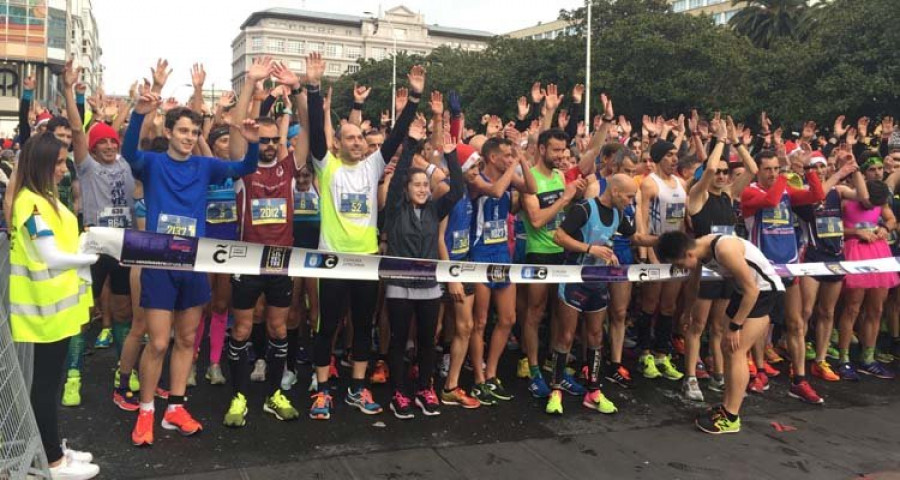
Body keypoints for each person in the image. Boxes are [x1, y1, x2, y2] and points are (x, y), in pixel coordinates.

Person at [273, 53, 421, 419]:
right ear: (337, 144)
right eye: (350, 138)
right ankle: (322, 391)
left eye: (360, 139)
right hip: (332, 260)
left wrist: (415, 99)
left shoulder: (372, 166)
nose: (357, 143)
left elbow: (399, 135)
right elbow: (316, 134)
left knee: (364, 327)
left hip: (366, 260)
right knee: (327, 328)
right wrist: (312, 86)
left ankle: (357, 387)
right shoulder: (327, 166)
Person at [122, 59, 261, 446]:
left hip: (195, 264)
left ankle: (176, 407)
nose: (189, 136)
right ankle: (147, 411)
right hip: (159, 264)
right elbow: (128, 152)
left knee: (187, 341)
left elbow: (243, 168)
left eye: (194, 131)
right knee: (159, 342)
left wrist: (250, 140)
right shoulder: (151, 163)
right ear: (168, 132)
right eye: (182, 130)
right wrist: (138, 114)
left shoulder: (204, 166)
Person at [10, 133, 100, 478]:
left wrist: (85, 243)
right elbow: (48, 255)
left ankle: (53, 449)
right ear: (41, 164)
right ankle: (51, 461)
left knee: (50, 384)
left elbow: (61, 243)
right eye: (59, 163)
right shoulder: (30, 203)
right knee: (45, 389)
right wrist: (88, 257)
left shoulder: (44, 199)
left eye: (65, 162)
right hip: (41, 313)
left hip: (57, 311)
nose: (64, 169)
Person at [62, 59, 137, 409]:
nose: (109, 147)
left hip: (123, 244)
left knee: (123, 312)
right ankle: (73, 375)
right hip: (93, 245)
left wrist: (134, 106)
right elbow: (79, 132)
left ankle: (126, 371)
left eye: (112, 143)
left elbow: (121, 131)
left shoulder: (124, 162)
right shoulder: (87, 166)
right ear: (92, 150)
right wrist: (69, 93)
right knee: (82, 312)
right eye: (102, 144)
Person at [550, 174, 657, 415]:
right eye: (629, 196)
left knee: (596, 335)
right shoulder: (584, 209)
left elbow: (636, 238)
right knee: (566, 335)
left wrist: (663, 240)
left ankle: (594, 391)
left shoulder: (618, 214)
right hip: (574, 280)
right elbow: (558, 236)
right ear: (616, 192)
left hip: (598, 282)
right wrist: (590, 248)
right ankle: (556, 390)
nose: (630, 202)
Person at [658, 230, 785, 434]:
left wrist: (736, 326)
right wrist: (687, 312)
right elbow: (693, 285)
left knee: (736, 350)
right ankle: (726, 406)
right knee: (727, 348)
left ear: (688, 255)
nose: (681, 269)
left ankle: (732, 416)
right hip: (743, 293)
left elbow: (753, 289)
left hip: (763, 293)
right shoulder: (699, 250)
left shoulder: (724, 249)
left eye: (680, 265)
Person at [384, 108, 465, 419]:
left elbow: (457, 190)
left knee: (427, 342)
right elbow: (395, 184)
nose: (420, 189)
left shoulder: (434, 210)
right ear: (407, 188)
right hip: (400, 287)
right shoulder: (394, 210)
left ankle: (424, 387)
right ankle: (399, 391)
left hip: (429, 288)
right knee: (399, 340)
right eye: (415, 185)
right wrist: (410, 144)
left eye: (424, 186)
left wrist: (451, 154)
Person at [741, 149, 825, 404]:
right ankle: (759, 370)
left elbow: (817, 195)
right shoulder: (750, 192)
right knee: (760, 322)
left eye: (776, 169)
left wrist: (809, 170)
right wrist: (785, 176)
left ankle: (799, 379)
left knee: (796, 323)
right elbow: (770, 201)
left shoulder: (785, 189)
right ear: (758, 170)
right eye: (768, 169)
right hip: (762, 267)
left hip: (789, 265)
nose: (773, 174)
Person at [683, 116, 757, 401]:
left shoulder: (729, 195)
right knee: (696, 325)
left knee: (720, 326)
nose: (723, 176)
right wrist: (721, 140)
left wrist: (737, 142)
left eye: (727, 173)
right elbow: (711, 165)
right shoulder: (697, 196)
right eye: (719, 173)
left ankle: (719, 373)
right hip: (705, 272)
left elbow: (751, 169)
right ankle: (690, 377)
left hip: (728, 272)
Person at [519, 128, 589, 398]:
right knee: (535, 313)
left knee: (563, 314)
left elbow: (569, 212)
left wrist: (577, 196)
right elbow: (536, 220)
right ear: (542, 150)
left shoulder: (561, 176)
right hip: (538, 252)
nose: (561, 155)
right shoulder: (531, 181)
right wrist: (565, 198)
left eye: (563, 150)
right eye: (556, 150)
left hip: (564, 252)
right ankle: (534, 371)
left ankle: (557, 370)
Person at [467, 135, 536, 405]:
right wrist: (512, 167)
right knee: (481, 321)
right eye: (506, 155)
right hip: (480, 255)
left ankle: (492, 372)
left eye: (511, 155)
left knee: (507, 318)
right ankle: (479, 378)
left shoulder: (509, 177)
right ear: (493, 157)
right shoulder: (477, 179)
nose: (510, 159)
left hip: (502, 256)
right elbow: (495, 191)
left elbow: (530, 188)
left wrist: (523, 161)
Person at [796, 152, 864, 382]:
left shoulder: (838, 191)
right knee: (805, 311)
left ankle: (820, 360)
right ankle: (799, 360)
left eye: (822, 166)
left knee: (827, 311)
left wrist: (855, 169)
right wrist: (839, 173)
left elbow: (863, 197)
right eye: (813, 167)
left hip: (835, 255)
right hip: (812, 257)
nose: (819, 170)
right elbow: (818, 194)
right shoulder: (804, 193)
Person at [835, 180, 898, 380]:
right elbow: (831, 228)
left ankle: (868, 358)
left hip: (878, 251)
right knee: (852, 307)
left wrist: (885, 229)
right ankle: (843, 359)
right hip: (855, 250)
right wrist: (855, 232)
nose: (872, 207)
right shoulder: (846, 200)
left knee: (876, 309)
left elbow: (890, 219)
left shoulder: (880, 200)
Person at [636, 140, 686, 380]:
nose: (674, 159)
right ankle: (644, 353)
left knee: (669, 306)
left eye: (676, 154)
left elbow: (683, 220)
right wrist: (650, 256)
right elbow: (643, 221)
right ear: (658, 159)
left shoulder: (681, 183)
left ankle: (661, 354)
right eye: (669, 155)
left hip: (676, 252)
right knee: (650, 303)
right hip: (657, 250)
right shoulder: (649, 184)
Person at [437, 142, 482, 409]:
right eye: (474, 166)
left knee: (464, 327)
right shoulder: (446, 189)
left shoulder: (468, 189)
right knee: (435, 328)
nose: (478, 171)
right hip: (445, 267)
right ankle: (424, 384)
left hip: (464, 264)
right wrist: (449, 275)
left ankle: (451, 385)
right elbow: (439, 236)